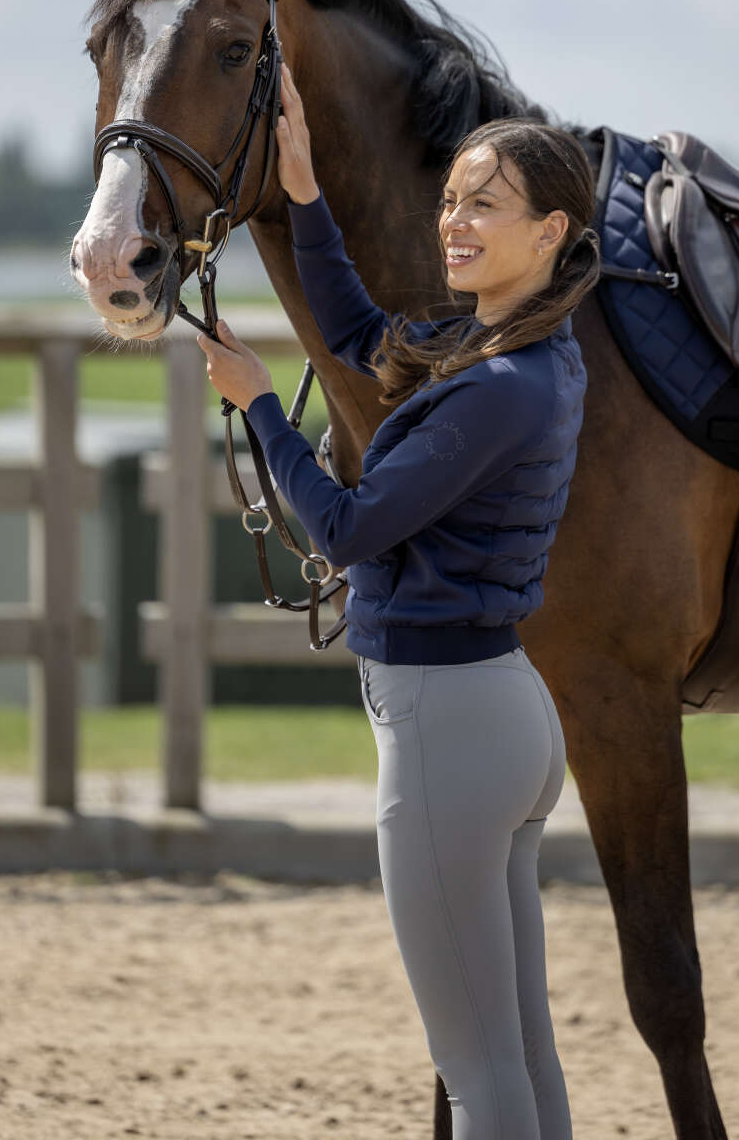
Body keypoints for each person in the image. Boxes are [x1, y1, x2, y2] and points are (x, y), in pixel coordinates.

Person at [197, 60, 598, 1140]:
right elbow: (363, 335)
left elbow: (343, 528)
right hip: (498, 716)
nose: (455, 221)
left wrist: (259, 409)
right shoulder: (510, 354)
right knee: (515, 1050)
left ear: (550, 231)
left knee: (476, 1072)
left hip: (445, 731)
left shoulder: (496, 389)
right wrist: (304, 189)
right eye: (451, 198)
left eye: (485, 203)